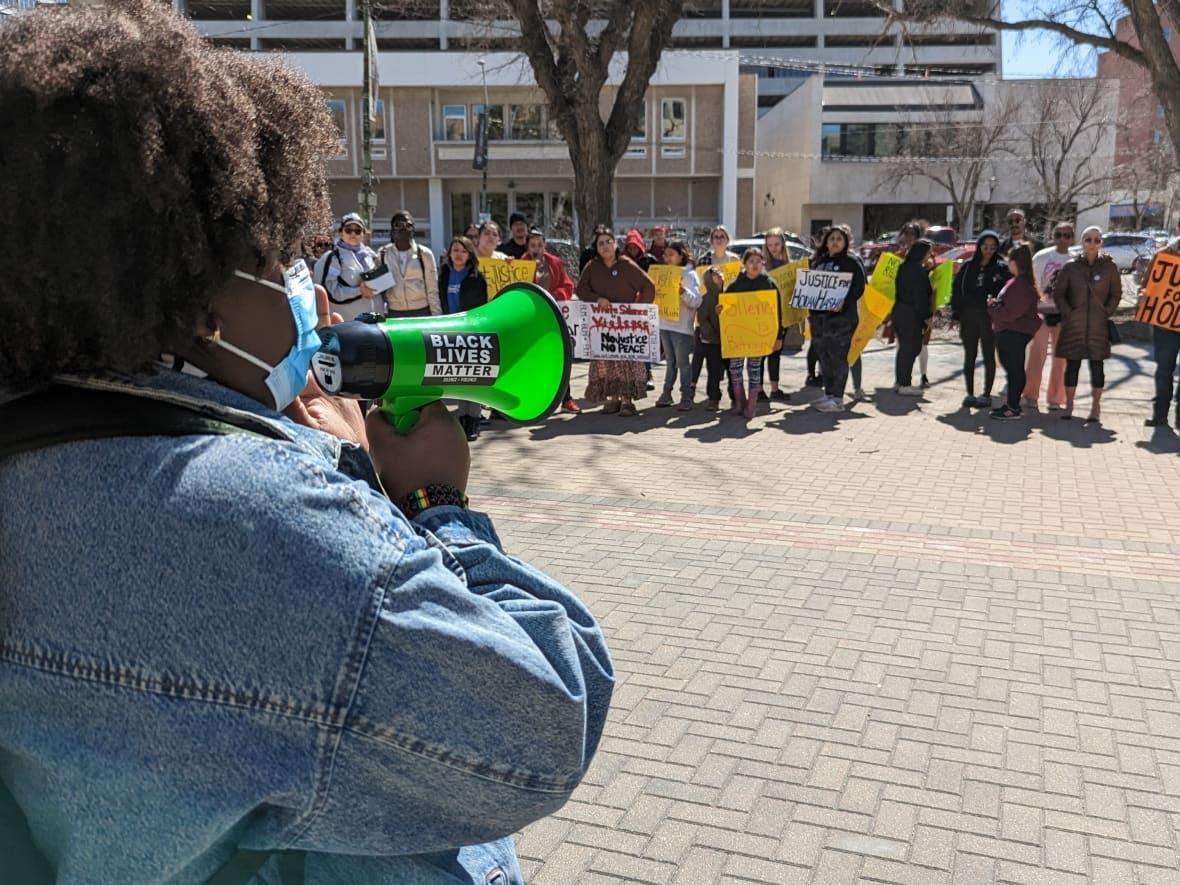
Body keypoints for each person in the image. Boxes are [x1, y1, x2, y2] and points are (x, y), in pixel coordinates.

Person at [0, 5, 614, 883]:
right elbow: (546, 722)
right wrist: (431, 507)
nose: (303, 285)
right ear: (198, 295)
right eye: (276, 252)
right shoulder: (244, 516)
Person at [575, 226, 656, 416]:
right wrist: (597, 299)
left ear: (615, 244)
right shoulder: (593, 266)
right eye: (600, 243)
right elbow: (581, 289)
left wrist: (637, 309)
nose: (605, 246)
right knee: (608, 361)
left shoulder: (626, 264)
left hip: (625, 323)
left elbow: (648, 286)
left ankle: (627, 401)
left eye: (608, 242)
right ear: (596, 247)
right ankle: (613, 399)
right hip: (603, 323)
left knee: (625, 360)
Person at [1052, 226, 1123, 423]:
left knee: (1097, 367)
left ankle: (1095, 407)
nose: (1092, 244)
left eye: (1097, 240)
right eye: (1088, 239)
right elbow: (1059, 293)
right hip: (1074, 325)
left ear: (1101, 243)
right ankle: (1070, 406)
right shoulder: (1070, 267)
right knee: (1072, 365)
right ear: (1082, 242)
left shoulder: (1110, 267)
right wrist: (1068, 313)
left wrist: (1106, 311)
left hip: (1098, 325)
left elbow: (1116, 293)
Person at [950, 230, 1010, 408]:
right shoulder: (969, 266)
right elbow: (957, 290)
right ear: (979, 246)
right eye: (985, 246)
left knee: (988, 355)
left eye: (993, 247)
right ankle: (969, 393)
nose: (989, 250)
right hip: (969, 316)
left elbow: (1007, 291)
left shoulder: (1001, 267)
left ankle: (986, 394)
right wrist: (956, 314)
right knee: (970, 354)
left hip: (989, 317)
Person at [438, 235, 489, 440]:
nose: (458, 254)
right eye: (455, 250)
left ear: (469, 254)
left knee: (473, 377)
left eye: (463, 251)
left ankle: (473, 420)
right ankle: (462, 419)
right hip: (450, 330)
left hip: (471, 331)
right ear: (450, 253)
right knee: (458, 376)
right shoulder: (443, 274)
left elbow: (482, 308)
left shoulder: (476, 277)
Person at [809, 226, 865, 412]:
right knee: (824, 358)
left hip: (842, 319)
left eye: (839, 238)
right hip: (820, 320)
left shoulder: (851, 262)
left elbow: (859, 288)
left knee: (838, 358)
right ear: (826, 241)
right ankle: (829, 393)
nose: (835, 241)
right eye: (831, 238)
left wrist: (844, 302)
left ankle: (838, 399)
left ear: (845, 241)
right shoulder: (818, 261)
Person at [722, 247, 783, 419]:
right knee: (735, 370)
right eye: (751, 261)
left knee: (754, 370)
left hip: (759, 338)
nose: (755, 265)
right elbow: (726, 309)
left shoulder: (769, 284)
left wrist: (779, 336)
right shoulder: (735, 286)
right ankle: (740, 402)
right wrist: (720, 309)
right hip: (738, 338)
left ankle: (752, 406)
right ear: (744, 264)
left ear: (763, 263)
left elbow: (778, 313)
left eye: (758, 261)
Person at [526, 227, 581, 414]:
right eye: (533, 245)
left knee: (560, 356)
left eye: (540, 245)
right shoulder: (521, 263)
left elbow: (568, 284)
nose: (536, 248)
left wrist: (552, 296)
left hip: (552, 315)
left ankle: (566, 399)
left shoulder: (554, 262)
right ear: (528, 246)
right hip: (530, 319)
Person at [987, 245, 1043, 420]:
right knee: (1013, 368)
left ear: (1015, 262)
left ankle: (1013, 407)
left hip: (1014, 332)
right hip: (1011, 331)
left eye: (1009, 260)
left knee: (1014, 369)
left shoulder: (1021, 285)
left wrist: (992, 307)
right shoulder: (1018, 282)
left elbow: (1010, 313)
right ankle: (1012, 404)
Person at [1023, 221, 1073, 411]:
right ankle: (1030, 395)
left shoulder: (1077, 259)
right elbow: (1031, 284)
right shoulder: (1041, 257)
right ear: (1053, 236)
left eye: (1067, 235)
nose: (1062, 239)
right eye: (1058, 234)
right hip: (1041, 313)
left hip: (1064, 315)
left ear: (1072, 238)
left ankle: (1055, 398)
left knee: (1061, 359)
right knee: (1037, 355)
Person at [654, 240, 702, 411]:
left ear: (681, 255)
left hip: (681, 327)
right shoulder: (662, 273)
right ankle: (666, 394)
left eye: (671, 255)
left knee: (683, 363)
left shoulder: (689, 275)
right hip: (665, 324)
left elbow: (697, 301)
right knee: (670, 362)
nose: (667, 258)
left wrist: (683, 292)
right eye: (665, 255)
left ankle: (686, 397)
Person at [313, 212, 383, 321]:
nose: (353, 234)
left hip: (375, 322)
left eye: (357, 230)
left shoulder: (371, 256)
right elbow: (330, 293)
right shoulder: (332, 258)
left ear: (363, 234)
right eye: (348, 230)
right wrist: (359, 291)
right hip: (348, 325)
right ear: (341, 233)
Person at [1142, 237, 1180, 431]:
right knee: (1164, 371)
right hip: (1166, 324)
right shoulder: (1163, 255)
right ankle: (1160, 416)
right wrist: (1144, 297)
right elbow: (1148, 285)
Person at [376, 210, 441, 317]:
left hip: (421, 311)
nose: (404, 228)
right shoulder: (383, 254)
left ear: (413, 230)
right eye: (398, 225)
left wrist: (436, 318)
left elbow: (433, 290)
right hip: (394, 312)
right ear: (392, 231)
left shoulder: (425, 254)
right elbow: (377, 290)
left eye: (408, 225)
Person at [892, 239, 934, 395]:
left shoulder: (904, 267)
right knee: (911, 348)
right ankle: (905, 384)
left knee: (904, 349)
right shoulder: (917, 271)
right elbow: (920, 296)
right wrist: (927, 316)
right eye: (929, 252)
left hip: (899, 311)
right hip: (911, 315)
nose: (930, 256)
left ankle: (900, 382)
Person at [760, 227, 793, 403]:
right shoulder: (762, 265)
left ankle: (774, 388)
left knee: (776, 352)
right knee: (761, 354)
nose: (773, 248)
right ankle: (758, 390)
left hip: (784, 316)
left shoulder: (790, 265)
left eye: (776, 244)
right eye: (770, 244)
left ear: (782, 244)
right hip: (764, 315)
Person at [692, 266, 728, 411]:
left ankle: (735, 398)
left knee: (727, 371)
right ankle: (713, 398)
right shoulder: (706, 299)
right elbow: (703, 321)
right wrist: (714, 335)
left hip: (728, 341)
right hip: (712, 342)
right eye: (715, 274)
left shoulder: (728, 296)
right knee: (713, 371)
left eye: (720, 273)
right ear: (708, 279)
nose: (719, 275)